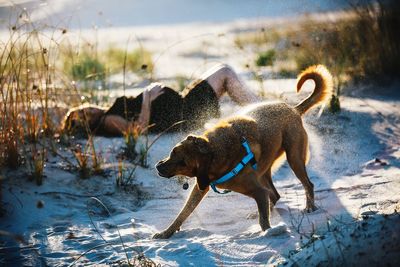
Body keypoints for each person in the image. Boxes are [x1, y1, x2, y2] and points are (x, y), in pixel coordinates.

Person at [61, 64, 260, 137]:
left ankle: (261, 109)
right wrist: (147, 99)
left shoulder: (107, 112)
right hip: (185, 112)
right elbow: (138, 130)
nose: (91, 112)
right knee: (224, 73)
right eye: (87, 117)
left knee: (224, 75)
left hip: (181, 103)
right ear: (89, 126)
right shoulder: (108, 121)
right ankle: (263, 110)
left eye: (85, 109)